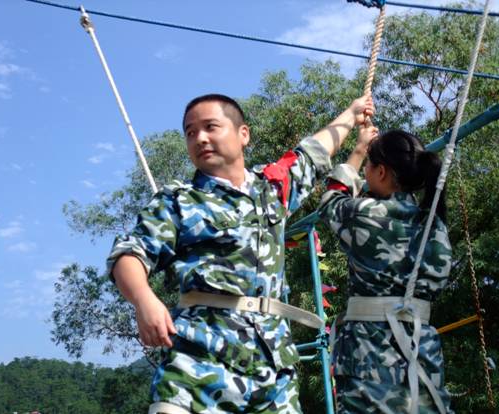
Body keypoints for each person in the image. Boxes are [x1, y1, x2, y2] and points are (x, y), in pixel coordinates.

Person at [106, 93, 375, 414]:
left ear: (243, 134)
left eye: (210, 127)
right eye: (190, 132)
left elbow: (315, 151)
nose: (199, 138)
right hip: (198, 367)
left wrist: (352, 113)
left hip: (272, 373)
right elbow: (129, 254)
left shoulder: (272, 187)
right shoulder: (178, 201)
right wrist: (143, 300)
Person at [318, 124, 453, 414]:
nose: (365, 170)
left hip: (371, 356)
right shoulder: (435, 225)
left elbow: (330, 202)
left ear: (381, 172)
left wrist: (358, 150)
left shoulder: (365, 213)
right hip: (422, 352)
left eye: (369, 165)